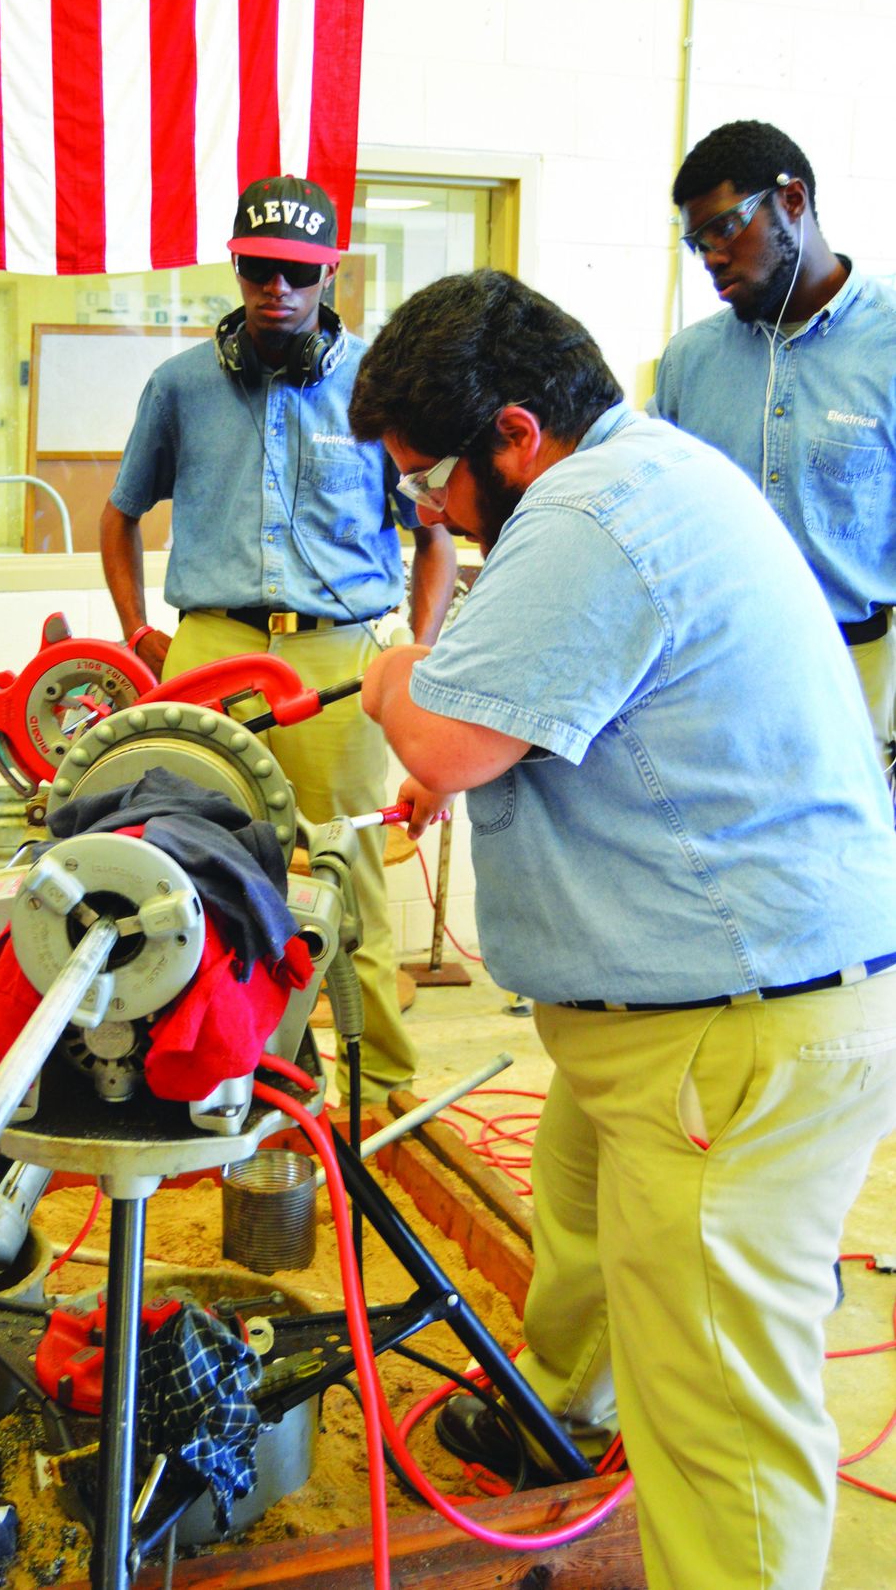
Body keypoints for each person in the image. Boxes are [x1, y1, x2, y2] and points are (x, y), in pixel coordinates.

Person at [348, 268, 896, 1590]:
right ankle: (567, 1412)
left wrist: (393, 685)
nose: (426, 508)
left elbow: (452, 729)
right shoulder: (647, 471)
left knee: (721, 1416)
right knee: (585, 1196)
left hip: (734, 1029)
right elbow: (548, 704)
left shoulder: (593, 510)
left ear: (518, 434)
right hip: (693, 1009)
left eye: (430, 479)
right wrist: (451, 732)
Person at [100, 174, 457, 1104]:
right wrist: (139, 627)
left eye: (298, 272)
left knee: (349, 867)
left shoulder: (381, 387)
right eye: (259, 269)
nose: (277, 291)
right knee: (189, 857)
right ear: (236, 264)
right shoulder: (180, 385)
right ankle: (201, 1074)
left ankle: (379, 1086)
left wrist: (416, 655)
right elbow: (120, 513)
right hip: (211, 652)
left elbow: (434, 539)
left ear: (330, 268)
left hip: (341, 660)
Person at [652, 119, 896, 784]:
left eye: (725, 228)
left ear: (792, 201)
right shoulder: (688, 362)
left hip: (856, 676)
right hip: (712, 676)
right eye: (697, 243)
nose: (711, 258)